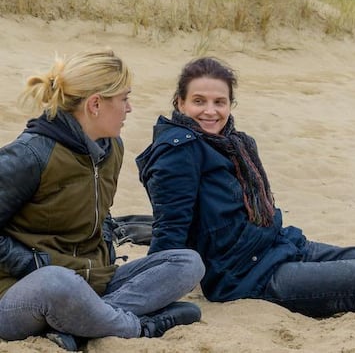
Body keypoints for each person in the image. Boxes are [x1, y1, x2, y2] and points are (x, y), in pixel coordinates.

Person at [136, 56, 355, 318]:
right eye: (199, 101)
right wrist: (150, 298)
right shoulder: (177, 152)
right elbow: (169, 232)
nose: (210, 110)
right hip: (245, 276)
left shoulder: (236, 144)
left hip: (282, 244)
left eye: (219, 102)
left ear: (230, 104)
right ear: (179, 103)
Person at [0, 49, 205, 351]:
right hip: (22, 292)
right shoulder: (30, 154)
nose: (130, 108)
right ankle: (138, 326)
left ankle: (83, 324)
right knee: (57, 282)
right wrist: (34, 263)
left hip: (93, 282)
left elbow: (101, 214)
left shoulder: (112, 149)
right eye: (124, 98)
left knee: (188, 262)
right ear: (95, 104)